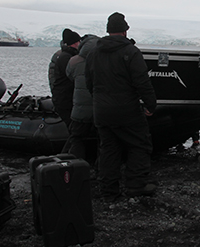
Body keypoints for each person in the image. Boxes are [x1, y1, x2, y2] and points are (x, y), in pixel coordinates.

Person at [85, 12, 157, 200]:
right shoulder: (131, 52)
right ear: (125, 31)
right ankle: (136, 185)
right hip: (127, 110)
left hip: (101, 111)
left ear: (108, 31)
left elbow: (89, 82)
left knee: (108, 149)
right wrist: (150, 104)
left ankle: (108, 190)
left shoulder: (93, 52)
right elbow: (142, 81)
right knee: (139, 145)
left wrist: (98, 101)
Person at [63, 33, 99, 163]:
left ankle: (76, 168)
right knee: (104, 141)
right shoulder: (105, 60)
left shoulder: (74, 61)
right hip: (99, 108)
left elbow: (69, 76)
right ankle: (100, 169)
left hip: (79, 109)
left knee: (77, 139)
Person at [48, 28, 81, 129]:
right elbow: (72, 77)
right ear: (75, 43)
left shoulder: (64, 56)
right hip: (65, 99)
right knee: (73, 129)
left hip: (62, 97)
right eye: (78, 41)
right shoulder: (67, 58)